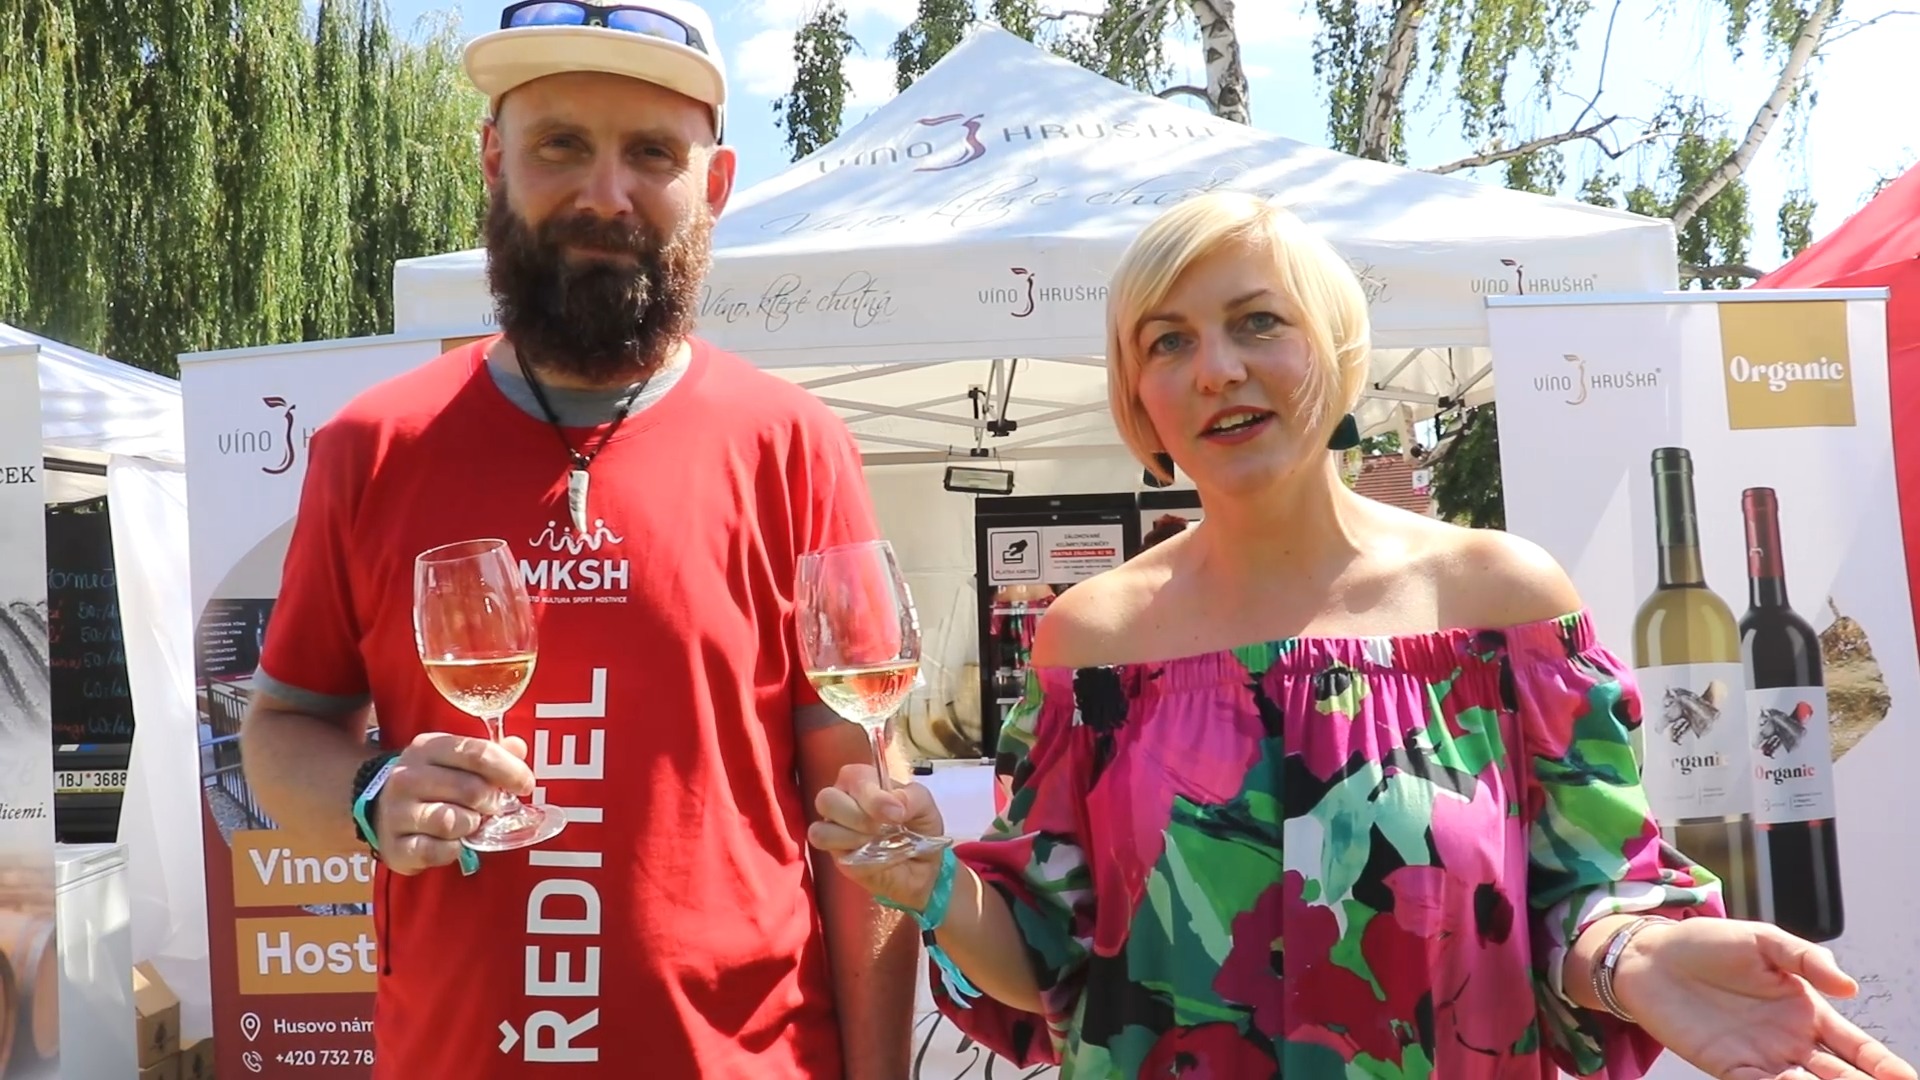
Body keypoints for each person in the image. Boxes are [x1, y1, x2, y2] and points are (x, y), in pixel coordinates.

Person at [808, 192, 1920, 1080]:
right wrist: (935, 886)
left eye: (1258, 323)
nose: (1217, 368)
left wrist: (1641, 954)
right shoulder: (1090, 646)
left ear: (1336, 350)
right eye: (1168, 341)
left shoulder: (1500, 606)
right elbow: (1049, 962)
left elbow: (1589, 895)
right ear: (1140, 400)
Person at [238, 2, 916, 1076]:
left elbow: (862, 810)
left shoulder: (794, 448)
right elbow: (282, 731)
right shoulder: (374, 446)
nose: (605, 194)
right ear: (494, 161)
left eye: (651, 152)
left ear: (715, 184)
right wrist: (369, 795)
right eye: (560, 144)